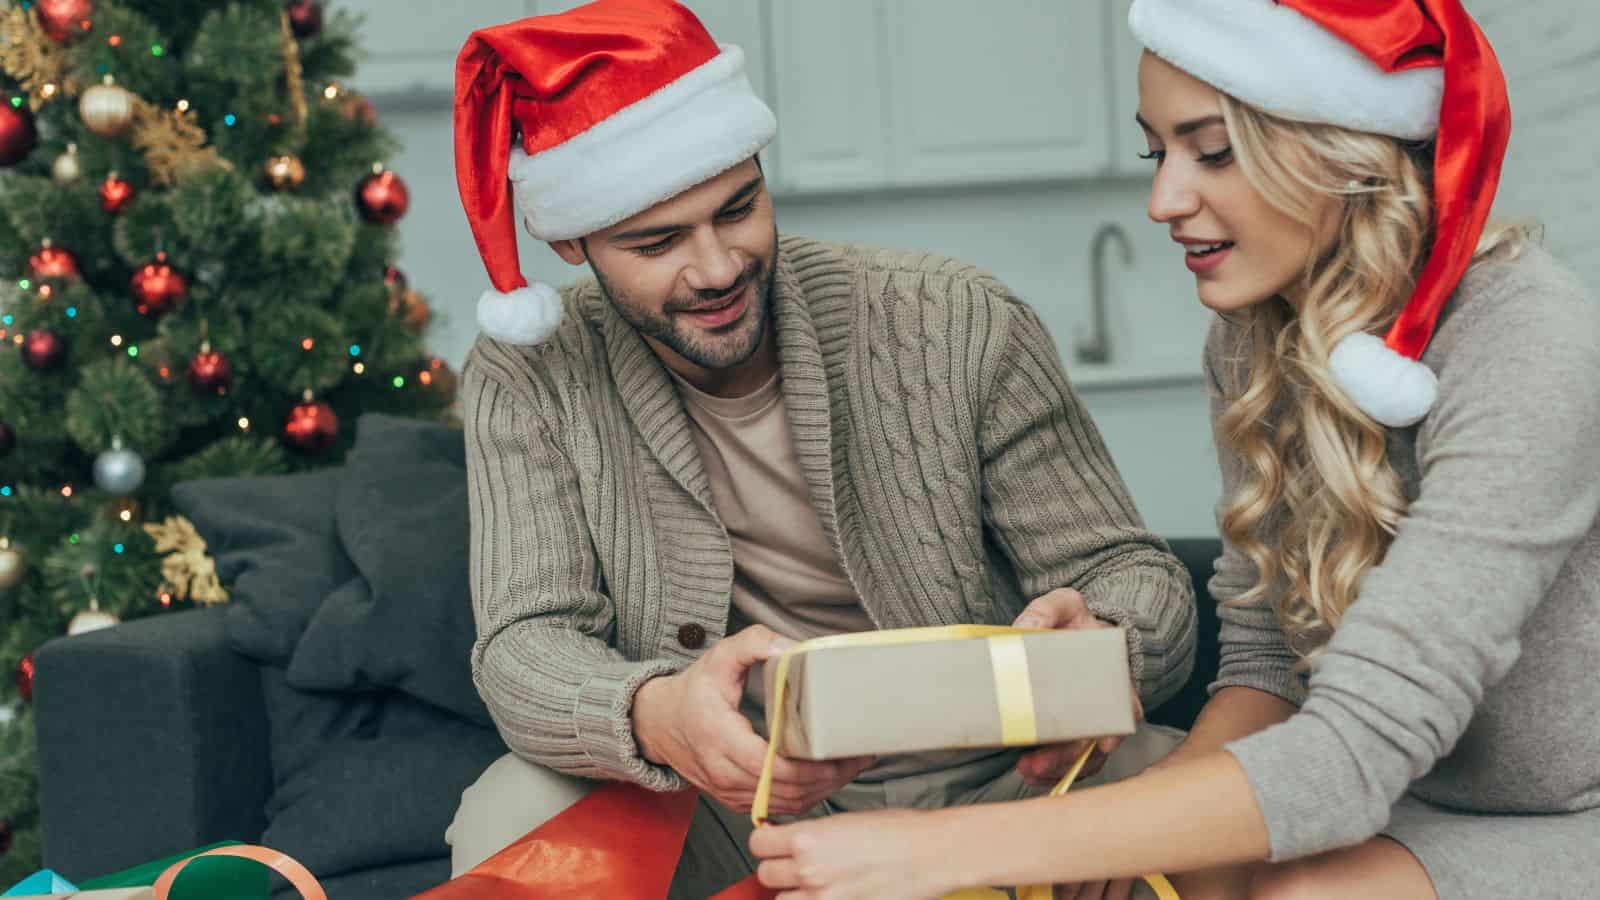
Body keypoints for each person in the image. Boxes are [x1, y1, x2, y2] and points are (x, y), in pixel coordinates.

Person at [747, 1, 1600, 898]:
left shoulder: (1527, 341)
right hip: (1396, 797)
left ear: (1339, 144)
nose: (1164, 201)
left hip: (1561, 816)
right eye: (1160, 152)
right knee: (1183, 864)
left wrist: (947, 848)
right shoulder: (1255, 334)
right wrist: (1139, 829)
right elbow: (1269, 660)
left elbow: (1349, 753)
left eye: (1214, 151)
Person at [444, 1, 1195, 896]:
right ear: (572, 240)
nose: (718, 267)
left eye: (738, 208)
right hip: (737, 805)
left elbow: (1133, 571)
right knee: (514, 812)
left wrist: (1105, 649)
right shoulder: (529, 373)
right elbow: (526, 642)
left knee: (1243, 793)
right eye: (658, 242)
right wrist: (659, 714)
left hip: (1014, 787)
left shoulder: (957, 321)